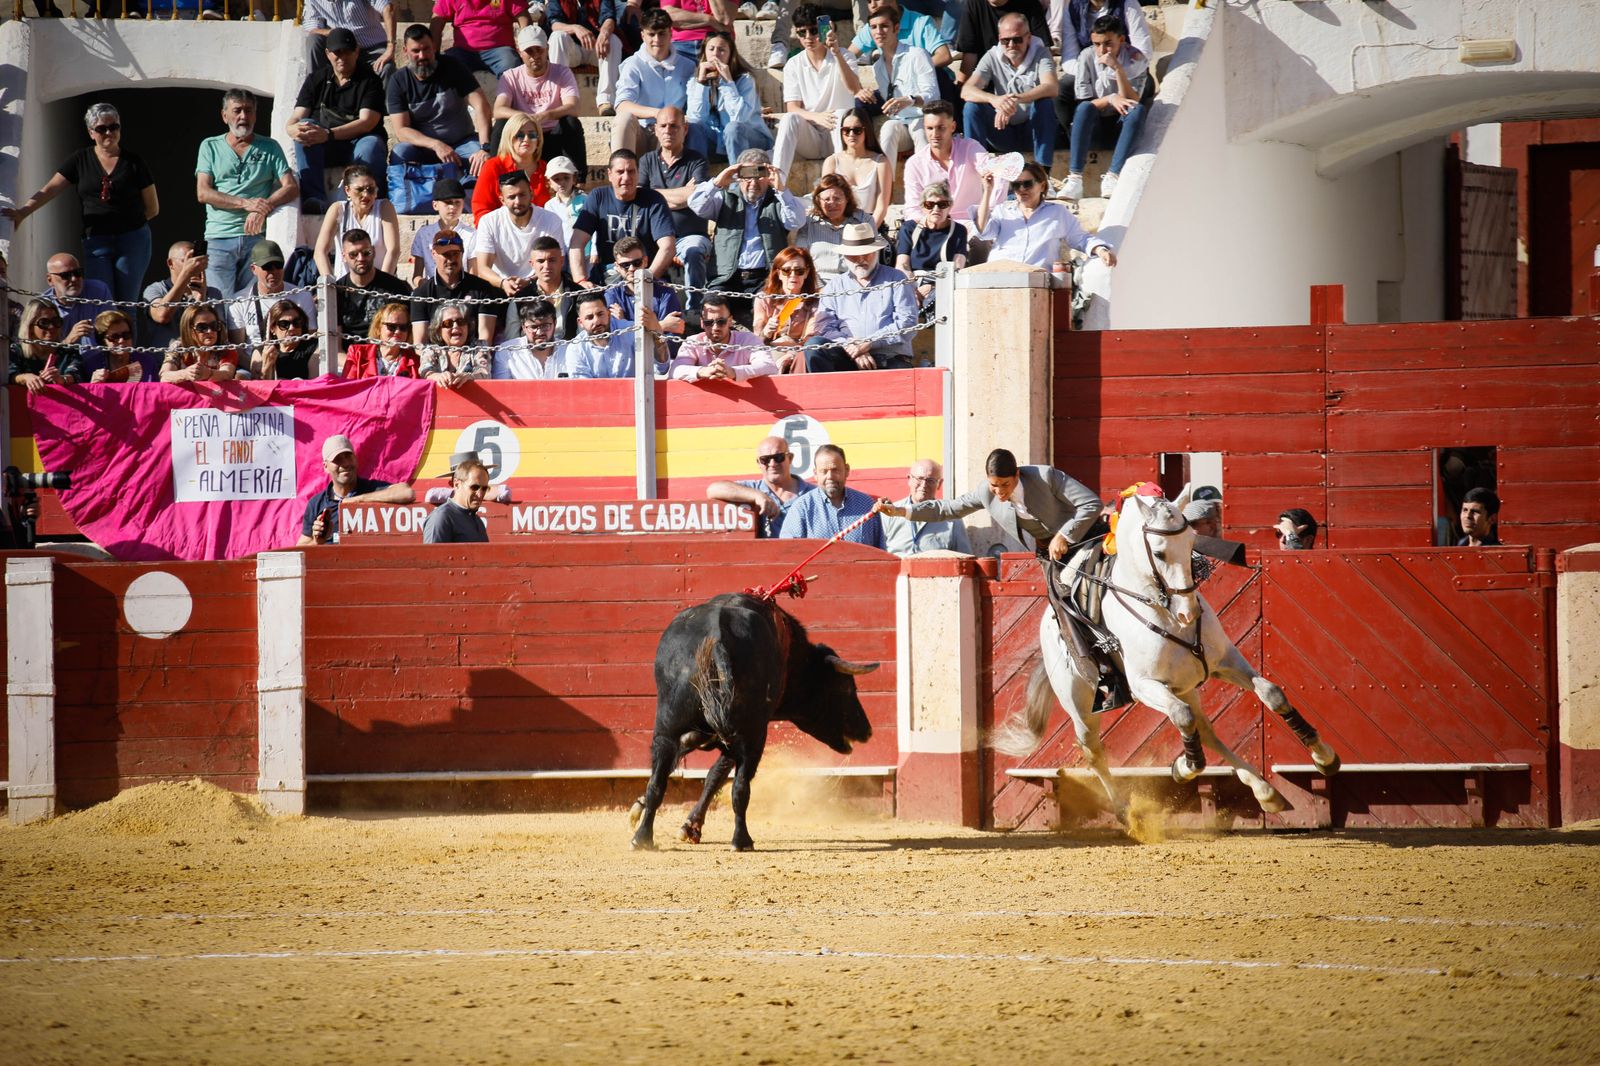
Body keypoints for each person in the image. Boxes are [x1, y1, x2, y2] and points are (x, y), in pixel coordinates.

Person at [2, 103, 157, 306]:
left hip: (132, 240)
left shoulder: (134, 162)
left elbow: (152, 208)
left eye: (114, 126)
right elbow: (51, 188)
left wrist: (126, 223)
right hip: (96, 241)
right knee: (99, 302)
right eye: (102, 128)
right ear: (91, 132)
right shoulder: (80, 159)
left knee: (127, 304)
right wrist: (23, 211)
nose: (109, 132)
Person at [877, 447, 1099, 560]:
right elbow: (947, 509)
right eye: (995, 485)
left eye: (1005, 484)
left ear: (1017, 475)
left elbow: (1091, 504)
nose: (1000, 492)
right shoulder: (986, 492)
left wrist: (1064, 535)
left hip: (1086, 538)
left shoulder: (1045, 477)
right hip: (1049, 553)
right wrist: (900, 511)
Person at [196, 89, 298, 297]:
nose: (243, 116)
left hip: (256, 238)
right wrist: (246, 203)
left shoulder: (270, 146)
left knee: (253, 302)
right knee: (220, 303)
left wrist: (263, 207)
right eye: (237, 110)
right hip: (219, 238)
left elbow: (291, 186)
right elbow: (203, 192)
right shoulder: (210, 146)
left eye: (249, 111)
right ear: (225, 116)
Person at [688, 152, 808, 322]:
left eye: (759, 176)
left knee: (764, 313)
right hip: (725, 277)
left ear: (768, 176)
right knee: (712, 311)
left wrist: (781, 188)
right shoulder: (724, 198)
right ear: (739, 177)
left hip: (765, 278)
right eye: (747, 176)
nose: (753, 183)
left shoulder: (778, 201)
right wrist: (719, 181)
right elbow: (696, 204)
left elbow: (796, 221)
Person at [287, 28, 388, 215]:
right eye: (337, 52)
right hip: (325, 146)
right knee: (305, 126)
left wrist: (328, 134)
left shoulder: (370, 81)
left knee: (371, 145)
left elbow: (367, 122)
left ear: (357, 51)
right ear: (327, 54)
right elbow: (297, 116)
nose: (342, 57)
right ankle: (314, 198)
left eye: (347, 51)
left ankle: (369, 200)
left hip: (358, 142)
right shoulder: (316, 79)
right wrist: (292, 129)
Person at [1058, 14, 1148, 201]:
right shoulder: (1086, 56)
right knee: (1083, 108)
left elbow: (1133, 100)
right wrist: (1110, 98)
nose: (1102, 50)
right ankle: (1075, 178)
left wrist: (1118, 70)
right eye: (1097, 44)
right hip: (1095, 124)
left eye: (1108, 43)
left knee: (1138, 111)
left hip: (1121, 123)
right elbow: (1086, 101)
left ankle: (1112, 176)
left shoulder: (1136, 58)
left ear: (1121, 40)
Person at [805, 223, 919, 372]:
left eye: (866, 253)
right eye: (853, 255)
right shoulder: (835, 285)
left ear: (876, 252)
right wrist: (850, 346)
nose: (860, 259)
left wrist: (869, 342)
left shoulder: (896, 278)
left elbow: (908, 323)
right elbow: (824, 327)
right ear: (845, 256)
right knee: (815, 345)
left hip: (889, 357)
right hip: (847, 355)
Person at [386, 26, 493, 182]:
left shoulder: (453, 66)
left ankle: (467, 195)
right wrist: (435, 145)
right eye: (416, 51)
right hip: (424, 148)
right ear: (405, 51)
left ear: (434, 46)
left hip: (462, 143)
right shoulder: (398, 81)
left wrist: (485, 147)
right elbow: (401, 130)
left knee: (482, 160)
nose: (422, 56)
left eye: (426, 49)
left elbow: (481, 105)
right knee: (400, 153)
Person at [772, 4, 864, 180]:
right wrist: (817, 117)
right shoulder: (793, 63)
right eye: (801, 33)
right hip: (812, 136)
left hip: (841, 133)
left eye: (814, 31)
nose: (808, 37)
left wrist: (836, 53)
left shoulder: (845, 56)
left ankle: (842, 183)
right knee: (789, 119)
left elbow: (854, 89)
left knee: (841, 114)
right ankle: (777, 183)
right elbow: (792, 108)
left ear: (826, 29)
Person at [637, 107, 712, 310]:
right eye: (663, 126)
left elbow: (696, 196)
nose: (668, 130)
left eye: (674, 126)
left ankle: (695, 311)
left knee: (694, 251)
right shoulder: (646, 161)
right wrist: (682, 194)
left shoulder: (697, 161)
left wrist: (655, 194)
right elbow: (640, 198)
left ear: (685, 129)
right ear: (655, 129)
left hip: (690, 235)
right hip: (656, 237)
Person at [976, 161, 1115, 269]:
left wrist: (1101, 250)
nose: (1022, 189)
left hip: (1036, 282)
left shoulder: (1057, 213)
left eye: (1027, 184)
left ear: (1042, 186)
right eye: (1016, 185)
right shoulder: (1002, 211)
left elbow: (1081, 238)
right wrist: (987, 191)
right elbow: (983, 231)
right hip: (1000, 276)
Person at [961, 13, 1058, 167]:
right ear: (999, 38)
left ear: (1028, 37)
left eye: (1017, 39)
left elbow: (1051, 87)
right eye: (1005, 40)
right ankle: (975, 169)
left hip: (1032, 131)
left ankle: (1043, 172)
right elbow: (966, 90)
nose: (1011, 45)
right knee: (971, 107)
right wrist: (996, 100)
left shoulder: (1041, 53)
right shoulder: (992, 56)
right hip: (1002, 131)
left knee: (1045, 104)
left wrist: (1016, 99)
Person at [568, 150, 677, 284]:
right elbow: (577, 242)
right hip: (608, 274)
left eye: (631, 171)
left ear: (638, 173)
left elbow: (668, 247)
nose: (626, 178)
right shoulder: (598, 197)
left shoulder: (654, 199)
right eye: (620, 172)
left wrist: (647, 280)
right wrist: (580, 280)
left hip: (645, 272)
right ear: (610, 174)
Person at [494, 25, 586, 172]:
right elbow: (498, 110)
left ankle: (579, 179)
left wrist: (547, 115)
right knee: (501, 124)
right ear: (519, 52)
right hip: (524, 137)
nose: (535, 55)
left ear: (547, 48)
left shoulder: (562, 72)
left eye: (539, 49)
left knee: (571, 122)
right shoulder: (510, 76)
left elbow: (573, 107)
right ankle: (497, 174)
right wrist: (525, 117)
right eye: (529, 51)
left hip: (552, 136)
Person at [299, 433, 415, 547]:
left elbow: (407, 492)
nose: (345, 463)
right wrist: (317, 542)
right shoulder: (317, 504)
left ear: (355, 458)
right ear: (326, 466)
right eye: (337, 459)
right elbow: (299, 548)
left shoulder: (370, 489)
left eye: (348, 456)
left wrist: (358, 500)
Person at [612, 8, 698, 155]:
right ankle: (621, 170)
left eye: (662, 34)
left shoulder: (688, 66)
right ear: (642, 35)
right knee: (623, 119)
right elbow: (622, 105)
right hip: (642, 132)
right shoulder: (632, 64)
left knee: (681, 125)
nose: (657, 40)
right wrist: (657, 113)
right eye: (651, 34)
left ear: (671, 33)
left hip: (672, 133)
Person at [858, 6, 937, 162]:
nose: (878, 31)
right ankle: (886, 185)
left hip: (923, 119)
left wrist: (910, 100)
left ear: (896, 28)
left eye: (884, 26)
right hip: (900, 123)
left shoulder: (917, 54)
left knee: (920, 132)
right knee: (888, 128)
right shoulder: (877, 67)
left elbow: (934, 97)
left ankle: (927, 186)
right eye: (873, 27)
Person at [903, 101, 996, 227]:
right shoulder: (915, 163)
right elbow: (912, 209)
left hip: (971, 225)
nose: (935, 134)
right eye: (930, 128)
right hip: (934, 227)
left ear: (952, 127)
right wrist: (931, 225)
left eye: (941, 128)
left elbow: (994, 172)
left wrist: (989, 212)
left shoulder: (970, 147)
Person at [685, 29, 773, 164]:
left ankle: (738, 182)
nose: (715, 54)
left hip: (750, 139)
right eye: (711, 49)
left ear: (730, 54)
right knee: (693, 127)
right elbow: (697, 117)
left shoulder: (745, 80)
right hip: (718, 141)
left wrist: (727, 83)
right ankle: (698, 180)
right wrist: (702, 84)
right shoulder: (694, 81)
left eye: (722, 50)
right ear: (704, 52)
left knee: (733, 128)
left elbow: (740, 118)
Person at [474, 171, 567, 296]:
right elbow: (483, 268)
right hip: (499, 286)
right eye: (511, 197)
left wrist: (529, 281)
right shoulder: (488, 221)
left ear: (531, 194)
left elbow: (557, 262)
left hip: (539, 285)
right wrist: (503, 283)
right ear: (502, 200)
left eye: (522, 195)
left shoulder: (551, 220)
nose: (518, 201)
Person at [779, 444, 887, 548]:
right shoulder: (802, 508)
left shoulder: (866, 505)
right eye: (824, 471)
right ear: (815, 474)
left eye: (835, 470)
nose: (830, 476)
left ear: (847, 470)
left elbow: (881, 553)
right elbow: (789, 554)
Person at [706, 434, 815, 539]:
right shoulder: (752, 489)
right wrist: (757, 496)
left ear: (790, 458)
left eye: (778, 457)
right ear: (758, 463)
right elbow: (713, 489)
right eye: (765, 459)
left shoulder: (813, 493)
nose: (772, 464)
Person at [411, 230, 500, 349]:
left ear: (462, 254)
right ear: (433, 254)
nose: (451, 259)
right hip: (436, 359)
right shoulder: (422, 293)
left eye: (455, 254)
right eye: (446, 254)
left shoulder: (483, 289)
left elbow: (485, 340)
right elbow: (419, 344)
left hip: (475, 357)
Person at [226, 240, 318, 353]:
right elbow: (238, 351)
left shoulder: (303, 296)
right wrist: (259, 368)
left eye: (278, 266)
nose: (274, 272)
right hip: (253, 364)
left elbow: (311, 340)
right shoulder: (239, 301)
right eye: (267, 267)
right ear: (253, 269)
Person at [314, 165, 401, 278]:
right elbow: (320, 252)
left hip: (380, 284)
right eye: (359, 190)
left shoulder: (384, 207)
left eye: (370, 189)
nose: (366, 195)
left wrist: (382, 285)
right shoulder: (337, 209)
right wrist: (331, 286)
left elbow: (393, 250)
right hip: (344, 286)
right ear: (347, 190)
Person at [143, 241, 223, 362]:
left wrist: (200, 297)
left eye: (195, 260)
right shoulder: (156, 289)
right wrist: (186, 274)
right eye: (186, 261)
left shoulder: (213, 294)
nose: (193, 265)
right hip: (164, 364)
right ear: (170, 263)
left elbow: (217, 334)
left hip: (201, 364)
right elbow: (162, 316)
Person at [333, 229, 411, 351]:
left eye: (366, 252)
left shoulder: (396, 287)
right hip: (349, 359)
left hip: (387, 356)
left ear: (374, 252)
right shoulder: (337, 291)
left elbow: (406, 336)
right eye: (353, 254)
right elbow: (336, 349)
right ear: (344, 257)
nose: (361, 258)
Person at [895, 180, 968, 309]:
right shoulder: (909, 228)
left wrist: (934, 286)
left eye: (942, 204)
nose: (936, 209)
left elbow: (957, 268)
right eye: (930, 204)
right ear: (922, 207)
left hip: (944, 282)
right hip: (913, 281)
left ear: (950, 206)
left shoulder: (958, 231)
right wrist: (912, 290)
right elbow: (902, 265)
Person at [669, 294, 777, 382]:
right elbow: (675, 370)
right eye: (709, 322)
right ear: (702, 323)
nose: (715, 327)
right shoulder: (693, 342)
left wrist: (733, 372)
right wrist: (703, 371)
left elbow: (769, 367)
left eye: (721, 322)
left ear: (730, 321)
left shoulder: (748, 340)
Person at [561, 292, 668, 378]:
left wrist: (657, 332)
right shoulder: (576, 348)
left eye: (600, 314)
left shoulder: (631, 331)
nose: (597, 321)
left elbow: (660, 369)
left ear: (608, 314)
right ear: (580, 323)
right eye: (589, 317)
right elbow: (585, 390)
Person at [793, 174, 877, 283]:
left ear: (847, 198)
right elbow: (802, 259)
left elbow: (872, 259)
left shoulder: (864, 220)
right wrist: (819, 288)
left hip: (855, 284)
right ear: (818, 201)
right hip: (817, 287)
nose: (832, 203)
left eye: (837, 198)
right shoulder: (808, 224)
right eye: (826, 199)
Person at [545, 0, 622, 118]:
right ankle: (559, 100)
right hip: (572, 50)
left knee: (613, 40)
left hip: (597, 47)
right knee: (557, 37)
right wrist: (576, 28)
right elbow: (555, 24)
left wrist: (604, 33)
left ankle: (606, 101)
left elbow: (609, 17)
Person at [605, 236, 686, 348]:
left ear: (645, 261)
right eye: (625, 265)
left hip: (660, 361)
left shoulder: (665, 292)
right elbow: (614, 339)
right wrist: (661, 325)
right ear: (617, 267)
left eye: (636, 262)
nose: (631, 268)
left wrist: (624, 323)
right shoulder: (612, 294)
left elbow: (671, 342)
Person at [881, 459, 972, 555]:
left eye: (930, 480)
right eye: (919, 479)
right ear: (909, 479)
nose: (924, 485)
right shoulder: (889, 513)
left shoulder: (952, 519)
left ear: (939, 484)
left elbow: (965, 558)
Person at [753, 246, 821, 374]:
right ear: (778, 273)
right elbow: (756, 341)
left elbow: (811, 337)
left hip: (800, 354)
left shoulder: (815, 301)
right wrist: (766, 332)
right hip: (770, 352)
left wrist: (791, 353)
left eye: (799, 271)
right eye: (786, 270)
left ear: (806, 273)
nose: (793, 275)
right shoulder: (764, 299)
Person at [822, 111, 893, 231]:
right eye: (846, 130)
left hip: (871, 226)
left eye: (857, 130)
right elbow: (826, 201)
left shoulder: (881, 162)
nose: (851, 134)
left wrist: (866, 234)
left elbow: (882, 206)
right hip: (838, 227)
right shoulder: (831, 162)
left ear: (867, 131)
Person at [473, 113, 554, 219]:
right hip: (501, 232)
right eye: (520, 135)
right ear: (509, 138)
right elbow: (481, 208)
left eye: (532, 135)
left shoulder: (548, 170)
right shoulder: (493, 166)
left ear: (538, 140)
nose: (526, 139)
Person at [956, 0, 1053, 84]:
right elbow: (970, 52)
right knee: (971, 105)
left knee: (1045, 103)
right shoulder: (974, 4)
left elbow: (1042, 48)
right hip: (988, 75)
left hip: (1026, 77)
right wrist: (961, 87)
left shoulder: (1030, 3)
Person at [431, 0, 531, 78]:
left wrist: (526, 49)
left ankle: (506, 103)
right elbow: (436, 24)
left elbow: (525, 20)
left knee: (511, 64)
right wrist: (434, 56)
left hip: (500, 50)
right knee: (449, 65)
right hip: (463, 51)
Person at [1057, 0, 1151, 82]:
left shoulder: (1128, 4)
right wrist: (1093, 73)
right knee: (1064, 87)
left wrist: (1115, 70)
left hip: (1128, 73)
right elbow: (1069, 58)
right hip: (1090, 73)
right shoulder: (1073, 8)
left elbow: (1143, 53)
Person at [407, 177, 477, 284]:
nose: (452, 207)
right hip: (432, 292)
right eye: (447, 202)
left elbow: (473, 274)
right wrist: (426, 286)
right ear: (435, 205)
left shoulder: (472, 234)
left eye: (457, 202)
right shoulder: (423, 234)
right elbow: (417, 276)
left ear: (463, 204)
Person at [302, 0, 397, 78]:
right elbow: (312, 28)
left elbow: (388, 8)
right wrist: (333, 33)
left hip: (371, 48)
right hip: (340, 51)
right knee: (313, 40)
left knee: (386, 68)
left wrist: (390, 47)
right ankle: (314, 92)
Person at [7, 300, 83, 395]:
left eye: (56, 322)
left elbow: (77, 374)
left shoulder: (68, 352)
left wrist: (62, 379)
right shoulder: (16, 351)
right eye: (44, 322)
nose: (51, 327)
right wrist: (25, 377)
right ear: (30, 327)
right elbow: (9, 373)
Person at [517, 235, 585, 340]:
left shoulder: (579, 293)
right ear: (532, 264)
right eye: (540, 261)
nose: (547, 266)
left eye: (552, 260)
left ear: (562, 261)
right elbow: (512, 339)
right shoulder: (521, 298)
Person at [42, 252, 112, 351]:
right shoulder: (42, 307)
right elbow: (42, 354)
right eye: (65, 275)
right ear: (50, 280)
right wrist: (69, 341)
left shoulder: (98, 291)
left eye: (78, 273)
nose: (74, 279)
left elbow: (114, 330)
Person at [493, 299, 575, 378]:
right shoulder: (507, 352)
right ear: (523, 327)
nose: (539, 332)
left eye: (545, 325)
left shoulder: (569, 350)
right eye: (533, 327)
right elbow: (502, 389)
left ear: (555, 323)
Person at [419, 300, 492, 387]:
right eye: (448, 323)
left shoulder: (479, 346)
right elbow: (425, 370)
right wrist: (437, 376)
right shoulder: (431, 350)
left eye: (461, 322)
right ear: (439, 330)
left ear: (468, 326)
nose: (455, 326)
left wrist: (469, 377)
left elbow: (484, 372)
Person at [159, 304, 237, 384]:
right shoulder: (178, 347)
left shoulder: (226, 348)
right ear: (189, 329)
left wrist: (208, 374)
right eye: (202, 327)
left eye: (214, 325)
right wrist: (186, 374)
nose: (209, 331)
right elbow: (164, 376)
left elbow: (227, 374)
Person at [341, 302, 421, 378]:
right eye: (391, 327)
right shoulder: (358, 353)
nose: (397, 331)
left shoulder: (415, 362)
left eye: (403, 327)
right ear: (378, 328)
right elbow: (348, 387)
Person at [423, 457, 492, 544]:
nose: (480, 494)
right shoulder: (441, 518)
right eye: (474, 487)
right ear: (457, 484)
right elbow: (432, 556)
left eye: (484, 489)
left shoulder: (477, 520)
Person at [250, 299, 321, 380]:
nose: (291, 328)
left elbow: (314, 385)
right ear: (272, 328)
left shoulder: (314, 348)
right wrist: (267, 367)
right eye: (284, 324)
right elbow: (258, 390)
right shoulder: (261, 352)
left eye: (296, 322)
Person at [661, 0, 733, 65]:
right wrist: (710, 20)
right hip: (681, 45)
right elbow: (668, 16)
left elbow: (725, 19)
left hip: (716, 43)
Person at [543, 156, 588, 250]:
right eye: (556, 179)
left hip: (584, 249)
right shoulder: (550, 205)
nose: (562, 182)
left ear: (574, 179)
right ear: (549, 183)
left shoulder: (585, 200)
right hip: (561, 250)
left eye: (566, 178)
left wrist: (594, 251)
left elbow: (593, 227)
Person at [85, 311, 142, 384]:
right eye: (114, 337)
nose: (121, 340)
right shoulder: (91, 365)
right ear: (103, 341)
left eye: (126, 335)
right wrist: (93, 386)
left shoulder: (146, 363)